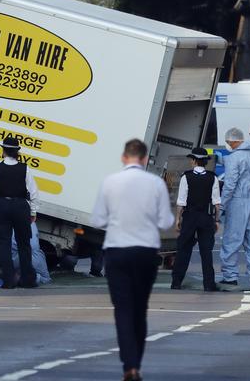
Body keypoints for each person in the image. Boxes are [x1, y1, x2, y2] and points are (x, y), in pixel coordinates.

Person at [91, 139, 174, 381]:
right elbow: (166, 222)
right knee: (140, 308)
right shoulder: (156, 183)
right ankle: (135, 362)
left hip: (117, 250)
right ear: (146, 158)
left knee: (123, 309)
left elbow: (97, 220)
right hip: (146, 251)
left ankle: (130, 365)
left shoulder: (110, 182)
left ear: (123, 157)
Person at [0, 136, 38, 289]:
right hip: (21, 206)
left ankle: (9, 280)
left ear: (3, 151)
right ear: (17, 152)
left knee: (4, 244)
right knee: (24, 244)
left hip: (1, 206)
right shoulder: (25, 168)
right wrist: (33, 211)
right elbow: (33, 192)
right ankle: (28, 280)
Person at [171, 147, 220, 291]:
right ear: (205, 161)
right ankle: (209, 284)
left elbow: (181, 202)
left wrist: (178, 219)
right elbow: (217, 203)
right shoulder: (213, 177)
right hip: (206, 217)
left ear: (193, 160)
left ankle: (176, 282)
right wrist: (216, 220)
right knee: (206, 251)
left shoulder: (186, 177)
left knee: (183, 249)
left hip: (190, 217)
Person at [219, 127, 250, 288]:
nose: (228, 144)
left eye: (228, 142)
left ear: (235, 141)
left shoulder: (235, 157)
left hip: (238, 202)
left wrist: (221, 205)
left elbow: (229, 185)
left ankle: (230, 276)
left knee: (232, 239)